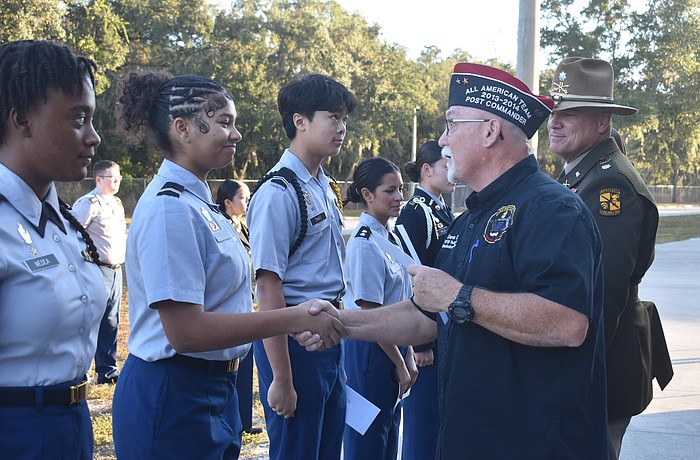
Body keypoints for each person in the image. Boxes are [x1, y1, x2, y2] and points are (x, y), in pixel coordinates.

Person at [297, 63, 609, 459]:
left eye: (451, 124)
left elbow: (567, 323)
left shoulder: (552, 209)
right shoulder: (471, 218)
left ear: (489, 131)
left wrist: (460, 296)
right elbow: (427, 315)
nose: (442, 139)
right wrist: (341, 322)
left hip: (535, 441)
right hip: (473, 436)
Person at [110, 71, 347, 459]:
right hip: (174, 391)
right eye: (223, 123)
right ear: (182, 128)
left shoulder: (201, 203)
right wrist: (295, 318)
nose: (236, 134)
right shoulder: (170, 207)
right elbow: (186, 332)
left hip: (214, 388)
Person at [548, 57, 673, 460]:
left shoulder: (608, 184)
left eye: (570, 113)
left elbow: (603, 291)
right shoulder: (582, 174)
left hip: (599, 359)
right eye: (553, 111)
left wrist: (572, 371)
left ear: (603, 122)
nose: (554, 121)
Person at [0, 39, 106, 459]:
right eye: (78, 118)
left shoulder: (60, 219)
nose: (94, 137)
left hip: (73, 424)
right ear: (22, 120)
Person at [246, 72, 357, 460]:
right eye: (333, 117)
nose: (342, 128)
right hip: (295, 343)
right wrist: (281, 378)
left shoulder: (323, 185)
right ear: (300, 120)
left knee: (327, 449)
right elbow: (268, 289)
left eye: (345, 119)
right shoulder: (280, 191)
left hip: (328, 335)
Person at [341, 157, 417, 460]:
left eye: (400, 189)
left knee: (387, 437)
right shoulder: (364, 243)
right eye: (390, 191)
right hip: (370, 352)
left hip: (393, 346)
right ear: (367, 195)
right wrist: (400, 362)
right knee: (367, 441)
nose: (399, 197)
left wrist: (407, 354)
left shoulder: (390, 236)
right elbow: (372, 315)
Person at [395, 140, 455, 460]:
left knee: (437, 424)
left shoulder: (441, 208)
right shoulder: (416, 213)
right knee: (421, 426)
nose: (452, 171)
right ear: (427, 170)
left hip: (443, 329)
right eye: (446, 165)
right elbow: (414, 277)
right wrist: (420, 344)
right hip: (426, 336)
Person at [215, 179, 263, 435]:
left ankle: (244, 420)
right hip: (228, 312)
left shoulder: (242, 226)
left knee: (245, 367)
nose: (247, 202)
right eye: (243, 198)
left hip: (246, 305)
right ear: (227, 202)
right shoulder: (220, 227)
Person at [72, 160, 127, 385]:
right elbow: (72, 234)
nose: (116, 182)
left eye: (119, 178)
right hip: (96, 270)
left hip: (116, 271)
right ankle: (81, 371)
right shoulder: (88, 203)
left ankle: (107, 371)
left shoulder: (116, 203)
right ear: (98, 179)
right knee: (90, 321)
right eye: (111, 178)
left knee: (111, 322)